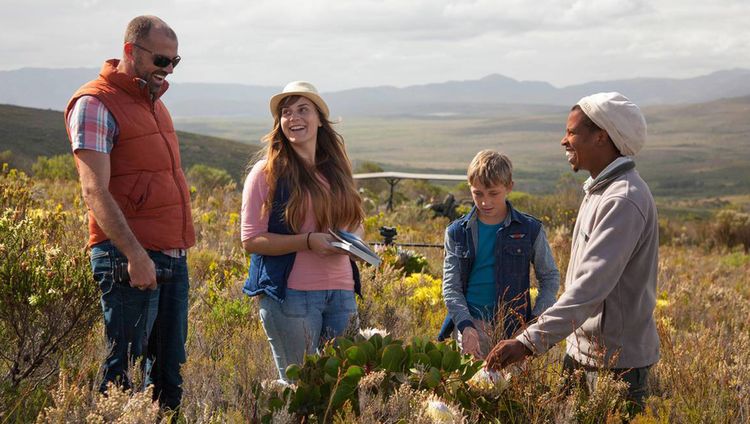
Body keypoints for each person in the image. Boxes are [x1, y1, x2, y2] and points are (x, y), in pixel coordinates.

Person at [486, 92, 659, 413]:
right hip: (587, 355)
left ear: (601, 138)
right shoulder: (601, 190)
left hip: (615, 366)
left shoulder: (621, 199)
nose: (563, 141)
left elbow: (589, 290)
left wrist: (527, 342)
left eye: (572, 132)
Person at [64, 16, 193, 411]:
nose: (168, 70)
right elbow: (94, 190)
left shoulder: (154, 105)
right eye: (160, 60)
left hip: (171, 255)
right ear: (129, 52)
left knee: (168, 374)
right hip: (129, 258)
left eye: (175, 62)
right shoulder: (95, 103)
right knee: (122, 379)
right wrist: (136, 256)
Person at [241, 81, 365, 381]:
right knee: (300, 389)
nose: (293, 117)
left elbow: (355, 221)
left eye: (303, 110)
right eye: (286, 112)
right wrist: (308, 241)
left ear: (320, 119)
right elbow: (251, 240)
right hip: (291, 296)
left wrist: (356, 244)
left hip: (341, 293)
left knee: (345, 386)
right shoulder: (267, 173)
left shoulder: (335, 169)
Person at [439, 150, 560, 359]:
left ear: (509, 187)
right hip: (471, 328)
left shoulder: (530, 229)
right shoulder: (456, 232)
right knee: (470, 389)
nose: (485, 202)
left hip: (516, 331)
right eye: (478, 193)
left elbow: (549, 278)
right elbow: (451, 286)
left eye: (493, 193)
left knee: (513, 391)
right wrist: (466, 326)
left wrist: (531, 325)